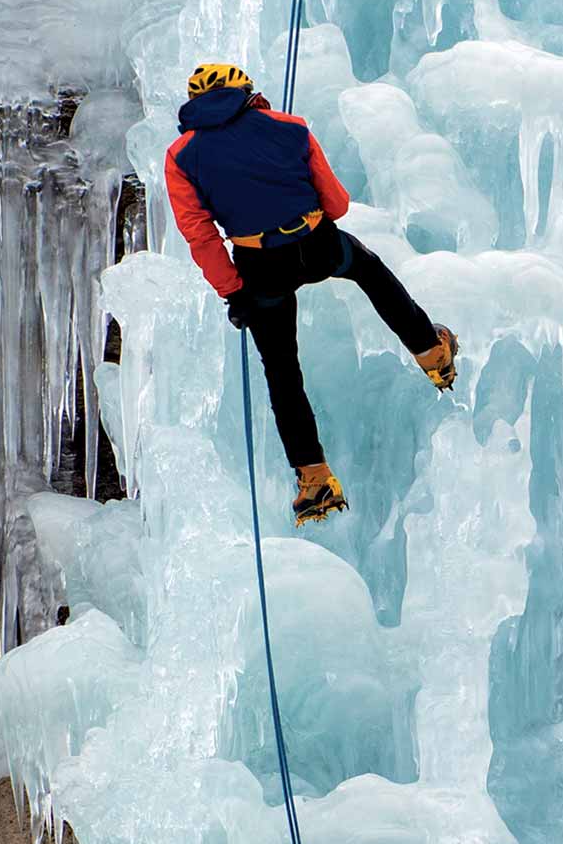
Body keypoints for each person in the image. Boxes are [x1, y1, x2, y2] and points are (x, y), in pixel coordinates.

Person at [165, 62, 458, 525]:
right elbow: (338, 203)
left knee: (282, 371)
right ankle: (431, 351)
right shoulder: (290, 127)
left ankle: (314, 478)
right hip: (315, 243)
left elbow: (199, 233)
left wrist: (233, 291)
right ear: (245, 92)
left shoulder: (181, 155)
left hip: (259, 264)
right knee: (370, 271)